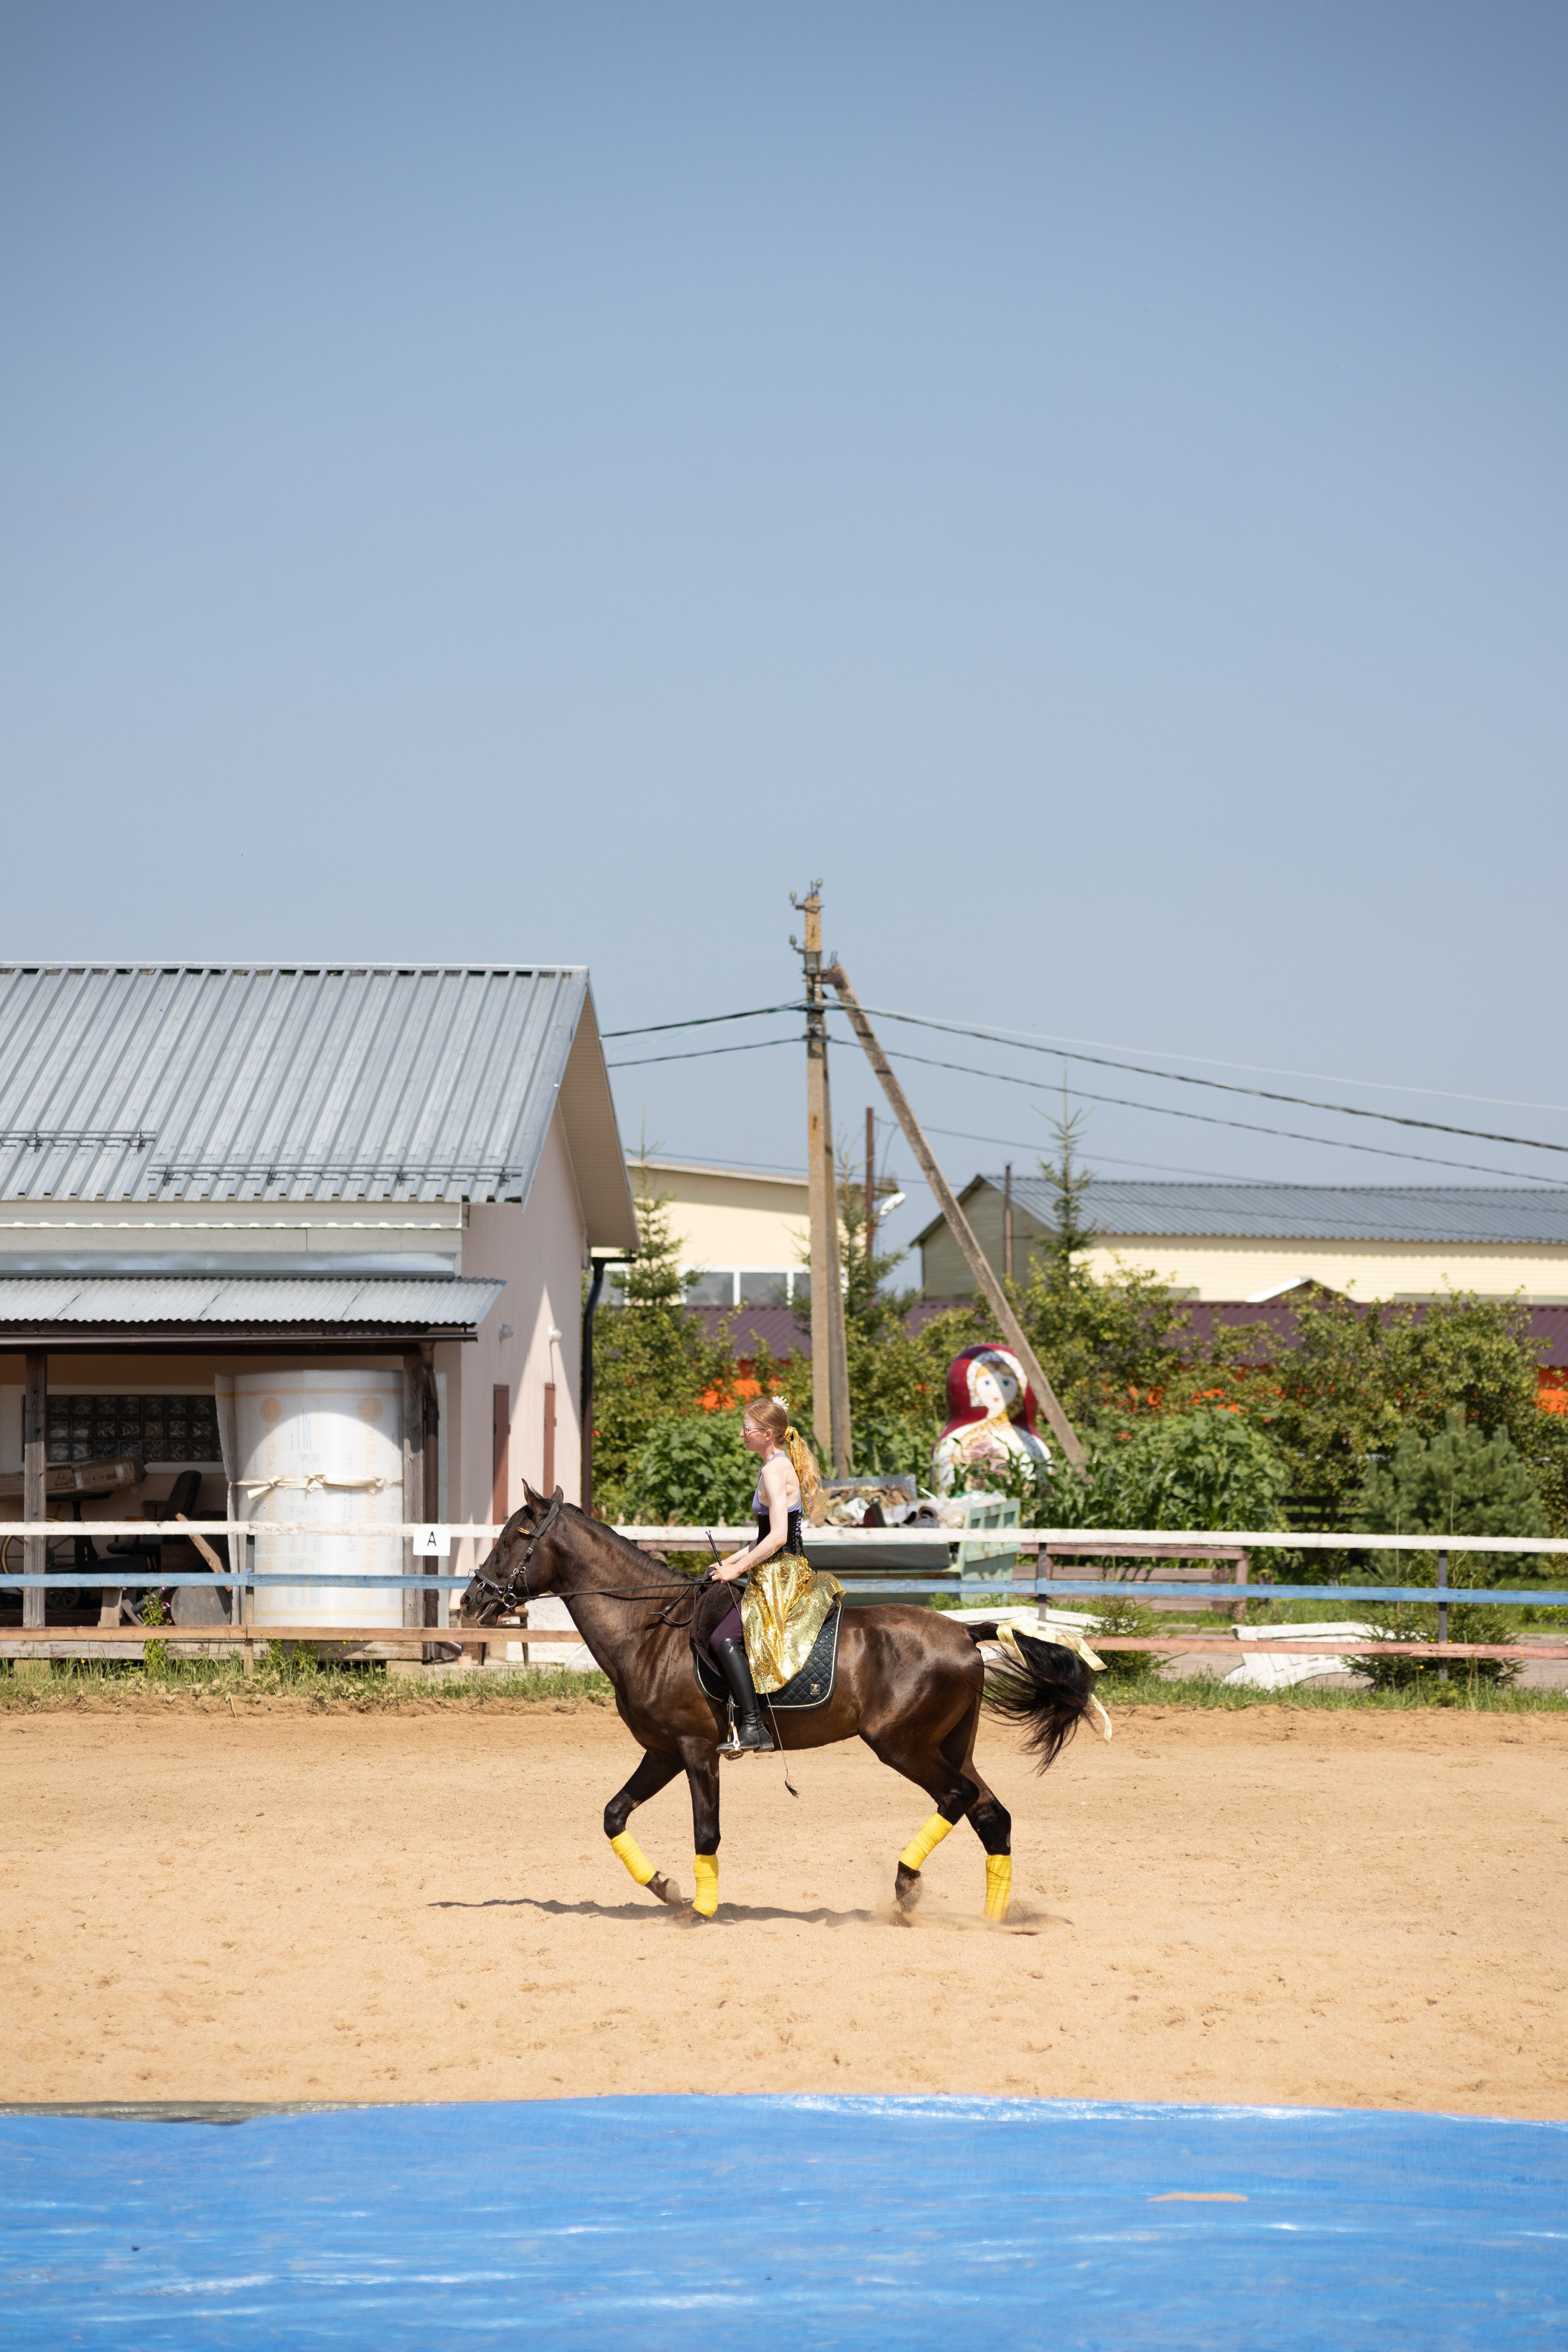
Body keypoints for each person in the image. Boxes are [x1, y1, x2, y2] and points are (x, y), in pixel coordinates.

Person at [707, 1396, 842, 1755]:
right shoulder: (775, 1466)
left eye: (747, 1430)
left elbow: (779, 1536)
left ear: (767, 1434)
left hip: (781, 1573)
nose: (742, 1435)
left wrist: (737, 1568)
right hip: (775, 1567)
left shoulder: (774, 1470)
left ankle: (754, 1726)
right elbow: (763, 1536)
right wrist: (728, 1564)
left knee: (723, 1638)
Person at [930, 1343, 1052, 1495]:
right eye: (987, 1382)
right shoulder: (951, 1443)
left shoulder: (1029, 1442)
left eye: (1006, 1383)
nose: (997, 1390)